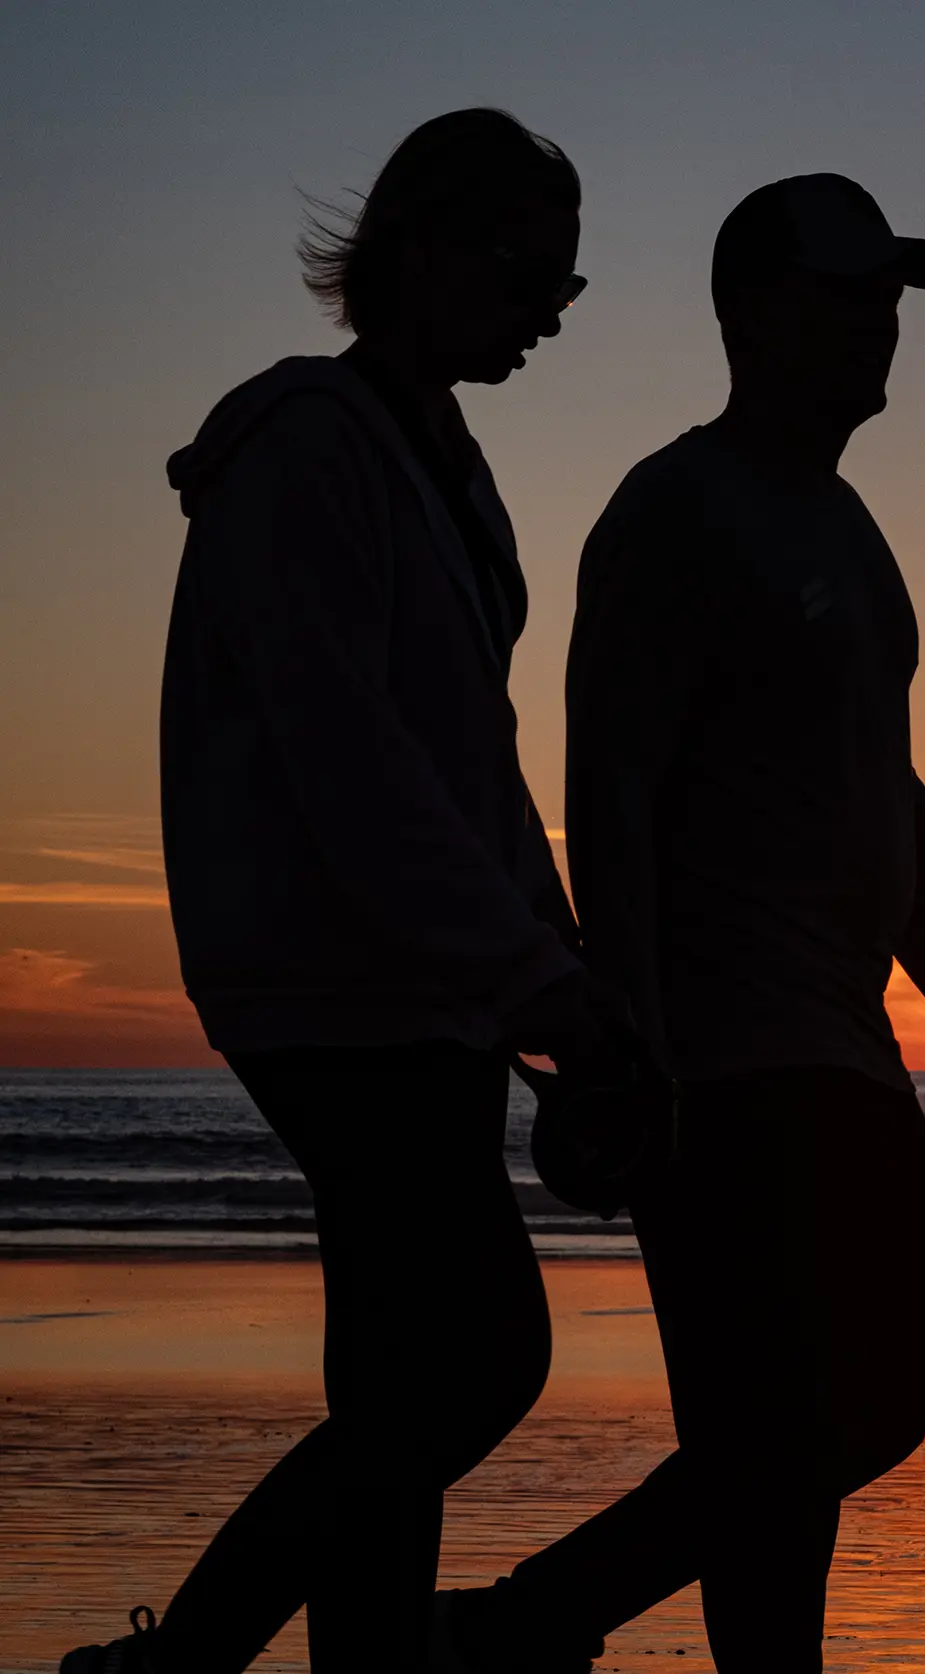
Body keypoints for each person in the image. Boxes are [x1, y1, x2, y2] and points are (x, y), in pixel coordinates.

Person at [438, 174, 925, 1674]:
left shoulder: (854, 538)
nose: (878, 325)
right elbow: (615, 787)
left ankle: (532, 1630)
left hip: (842, 1046)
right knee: (798, 1425)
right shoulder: (675, 512)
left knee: (816, 1435)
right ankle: (531, 1623)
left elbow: (887, 795)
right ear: (752, 313)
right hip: (724, 1060)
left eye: (888, 297)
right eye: (848, 295)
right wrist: (629, 1040)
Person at [63, 109, 633, 1674]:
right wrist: (531, 977)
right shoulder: (310, 446)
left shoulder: (449, 468)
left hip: (424, 980)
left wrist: (552, 956)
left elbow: (471, 761)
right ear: (428, 250)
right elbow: (350, 756)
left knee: (396, 1380)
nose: (545, 315)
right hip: (334, 974)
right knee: (477, 1363)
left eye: (566, 292)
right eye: (532, 277)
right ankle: (172, 1666)